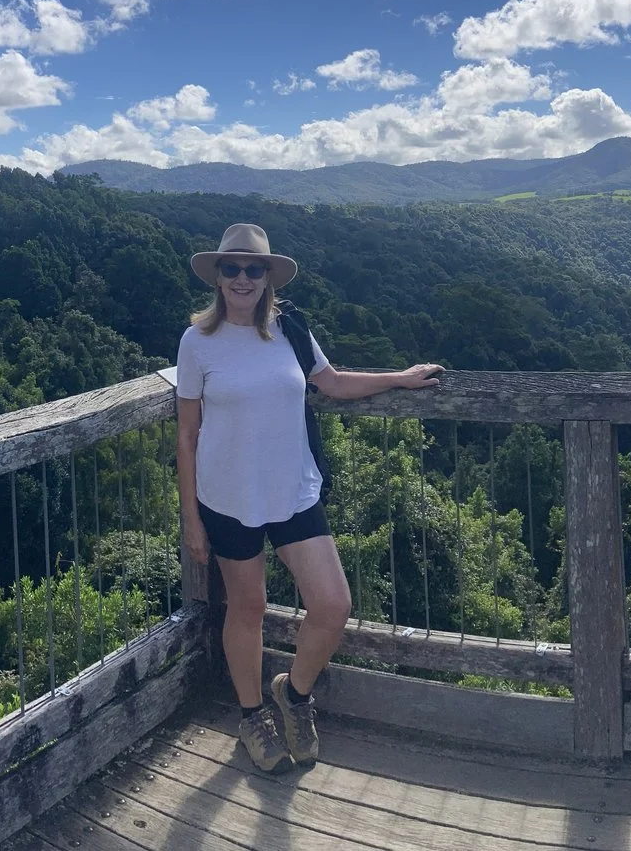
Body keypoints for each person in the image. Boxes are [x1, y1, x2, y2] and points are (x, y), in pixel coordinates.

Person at [174, 223, 445, 773]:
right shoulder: (196, 342)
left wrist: (400, 377)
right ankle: (251, 717)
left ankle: (294, 695)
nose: (243, 279)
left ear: (268, 276)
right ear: (218, 276)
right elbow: (186, 434)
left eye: (254, 269)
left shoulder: (289, 328)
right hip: (226, 496)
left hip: (293, 489)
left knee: (332, 604)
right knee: (245, 608)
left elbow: (333, 381)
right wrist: (191, 519)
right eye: (232, 269)